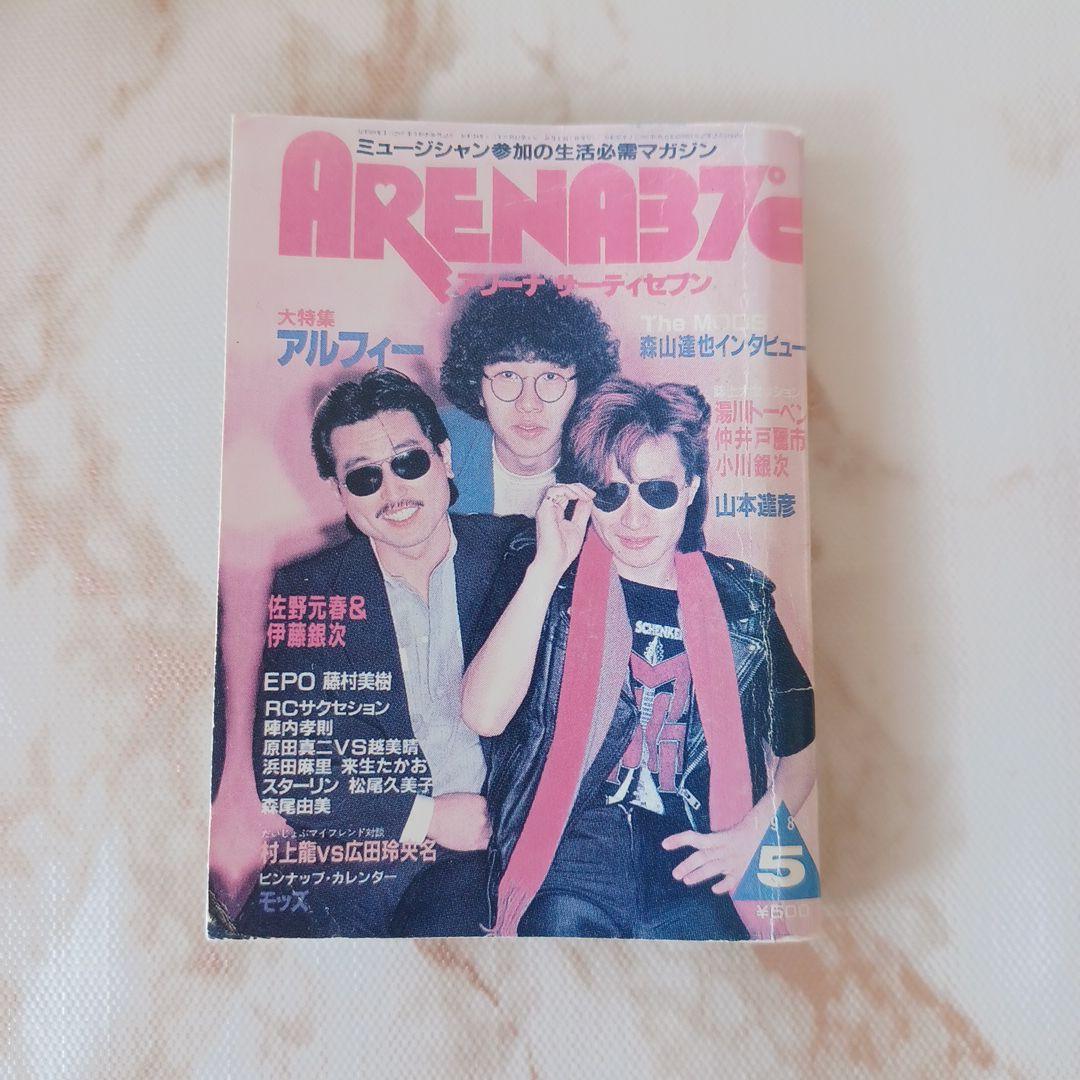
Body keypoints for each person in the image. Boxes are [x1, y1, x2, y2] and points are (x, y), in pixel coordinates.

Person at [463, 378, 816, 940]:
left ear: (690, 488)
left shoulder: (743, 602)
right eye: (611, 493)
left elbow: (805, 751)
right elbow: (484, 715)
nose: (633, 518)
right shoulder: (542, 573)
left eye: (657, 492)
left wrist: (753, 833)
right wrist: (547, 568)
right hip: (567, 856)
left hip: (696, 859)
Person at [238, 368, 531, 938]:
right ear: (340, 492)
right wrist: (426, 817)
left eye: (409, 462)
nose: (393, 492)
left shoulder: (518, 551)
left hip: (490, 850)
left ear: (445, 458)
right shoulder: (308, 589)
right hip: (358, 854)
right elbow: (285, 769)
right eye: (364, 477)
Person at [439, 278, 620, 516]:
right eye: (507, 375)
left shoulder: (610, 462)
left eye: (551, 377)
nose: (528, 404)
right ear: (477, 388)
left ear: (580, 389)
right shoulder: (438, 444)